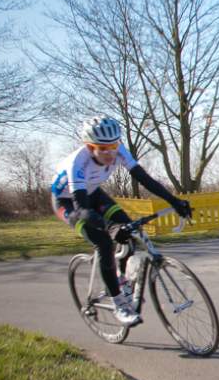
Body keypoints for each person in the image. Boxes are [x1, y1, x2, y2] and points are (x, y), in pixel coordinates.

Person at [51, 116, 193, 326]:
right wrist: (110, 227)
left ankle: (122, 281)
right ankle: (119, 303)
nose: (110, 153)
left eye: (114, 146)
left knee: (130, 229)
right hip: (69, 202)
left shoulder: (120, 150)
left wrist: (174, 201)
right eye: (103, 148)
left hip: (94, 193)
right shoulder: (77, 164)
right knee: (104, 242)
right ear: (90, 148)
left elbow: (145, 179)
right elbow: (82, 210)